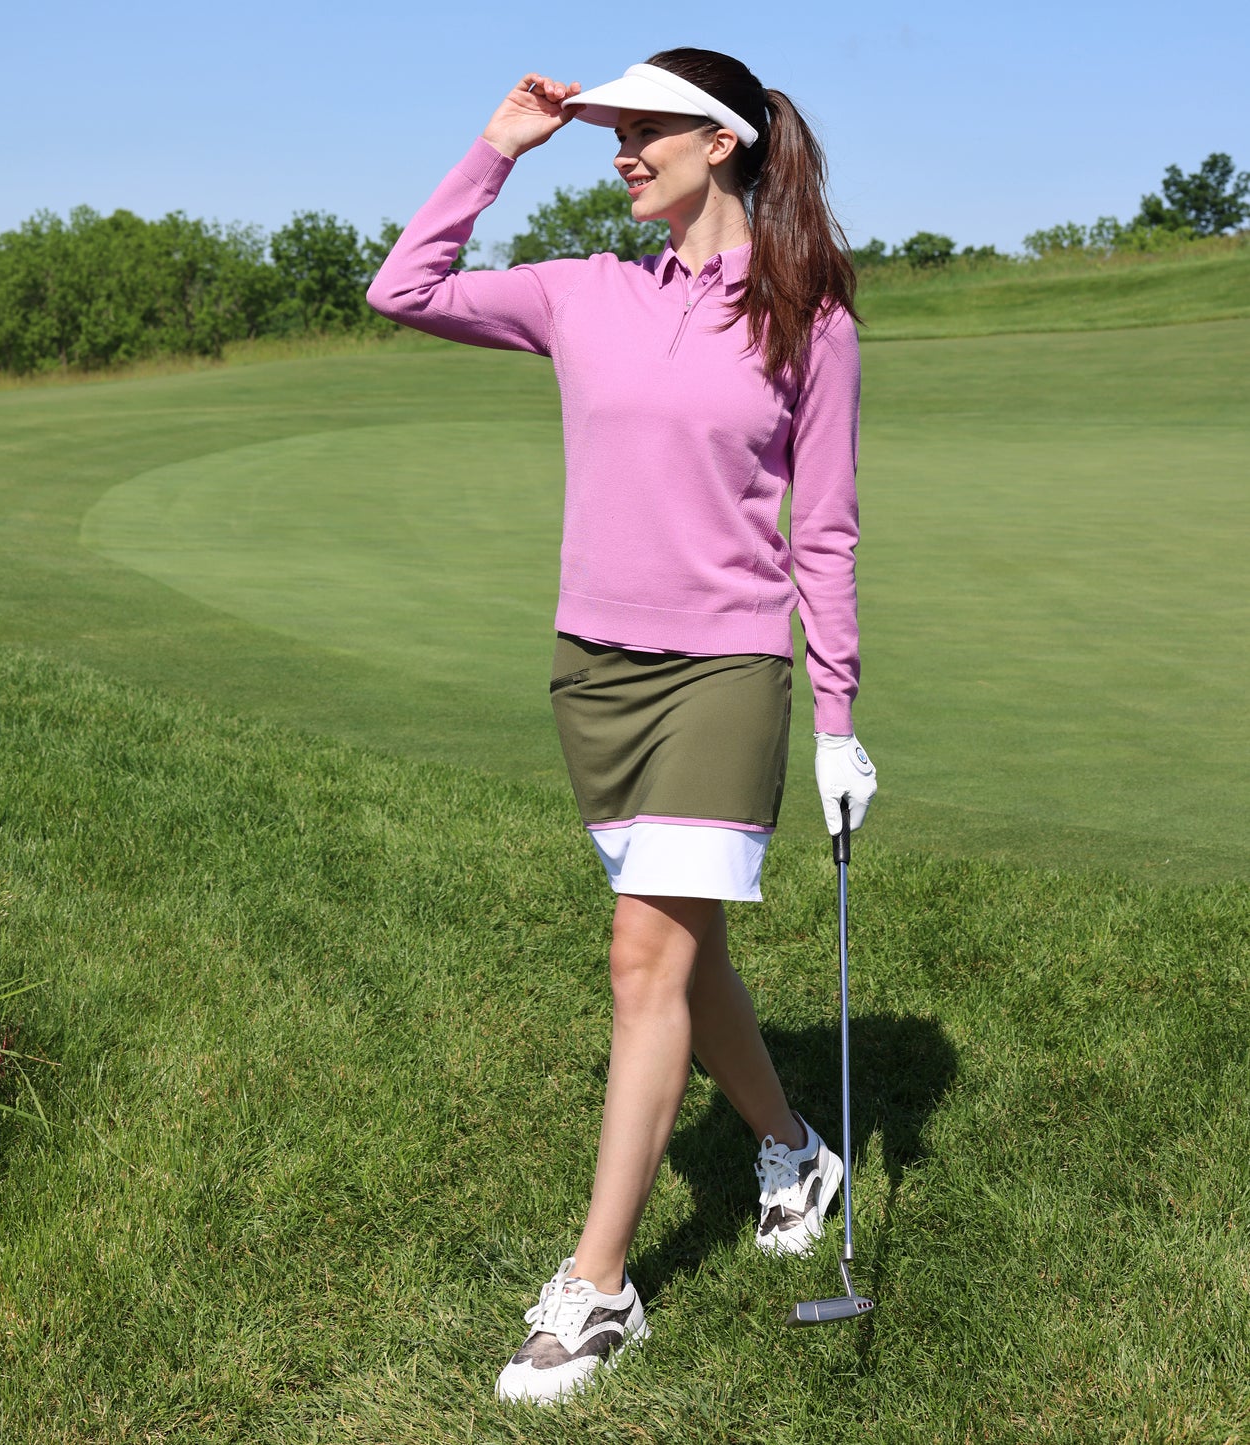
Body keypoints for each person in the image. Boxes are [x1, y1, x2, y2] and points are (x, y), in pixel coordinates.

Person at [366, 48, 877, 1406]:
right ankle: (794, 1150)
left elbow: (818, 531)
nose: (621, 154)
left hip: (722, 671)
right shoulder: (580, 293)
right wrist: (497, 149)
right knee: (684, 954)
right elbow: (400, 287)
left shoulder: (806, 315)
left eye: (643, 131)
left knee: (639, 952)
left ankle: (597, 1291)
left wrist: (836, 716)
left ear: (719, 143)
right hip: (593, 676)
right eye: (614, 136)